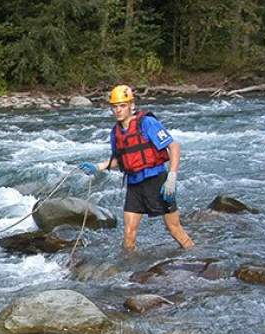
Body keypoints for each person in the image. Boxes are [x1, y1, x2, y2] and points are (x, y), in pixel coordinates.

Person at [79, 84, 194, 251]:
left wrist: (172, 177)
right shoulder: (115, 133)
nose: (118, 110)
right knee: (129, 234)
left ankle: (195, 257)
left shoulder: (147, 123)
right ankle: (130, 272)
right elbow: (122, 159)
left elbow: (174, 146)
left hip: (157, 181)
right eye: (115, 107)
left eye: (122, 106)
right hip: (134, 185)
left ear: (131, 105)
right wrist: (98, 166)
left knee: (174, 229)